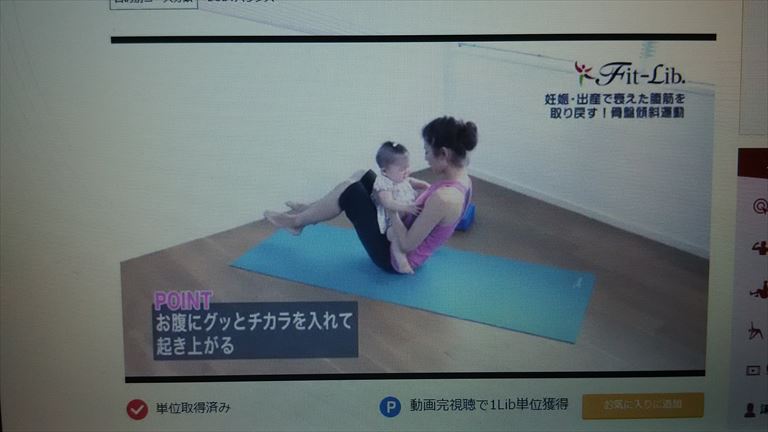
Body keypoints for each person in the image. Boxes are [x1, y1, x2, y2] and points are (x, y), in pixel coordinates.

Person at [264, 116, 477, 274]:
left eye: (427, 151)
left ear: (444, 154)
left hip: (392, 256)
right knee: (363, 175)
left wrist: (391, 208)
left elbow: (406, 245)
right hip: (399, 228)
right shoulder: (463, 180)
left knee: (351, 193)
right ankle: (310, 210)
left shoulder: (445, 198)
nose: (426, 157)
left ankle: (297, 222)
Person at [370, 141, 431, 273]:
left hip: (408, 213)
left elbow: (412, 181)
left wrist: (427, 186)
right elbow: (387, 203)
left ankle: (422, 242)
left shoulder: (402, 178)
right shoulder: (384, 183)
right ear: (384, 171)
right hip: (392, 222)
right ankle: (402, 263)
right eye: (402, 169)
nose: (406, 171)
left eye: (407, 167)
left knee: (423, 203)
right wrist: (406, 207)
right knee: (396, 237)